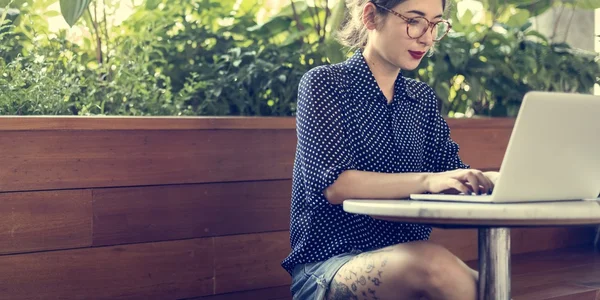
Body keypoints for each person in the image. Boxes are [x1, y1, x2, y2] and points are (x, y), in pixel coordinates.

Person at [281, 0, 500, 299]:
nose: (426, 37)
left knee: (488, 284)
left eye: (435, 24)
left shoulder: (420, 99)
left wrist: (493, 179)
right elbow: (336, 185)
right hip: (328, 267)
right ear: (371, 16)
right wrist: (427, 180)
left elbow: (452, 173)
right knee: (434, 264)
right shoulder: (325, 83)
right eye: (415, 21)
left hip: (408, 264)